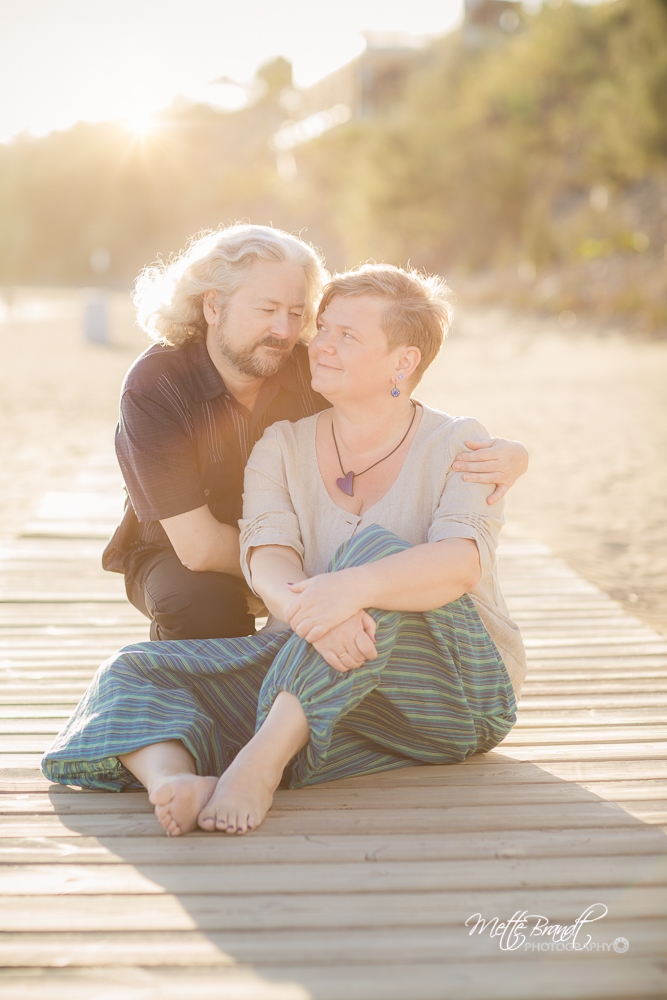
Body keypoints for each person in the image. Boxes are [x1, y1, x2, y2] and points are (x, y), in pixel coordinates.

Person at [43, 264, 526, 838]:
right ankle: (173, 779)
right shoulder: (283, 444)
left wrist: (346, 590)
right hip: (323, 664)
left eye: (347, 335)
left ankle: (260, 764)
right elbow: (266, 553)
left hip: (458, 684)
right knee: (134, 670)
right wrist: (310, 612)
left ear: (404, 361)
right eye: (323, 327)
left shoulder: (460, 443)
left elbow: (460, 562)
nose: (319, 343)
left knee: (372, 556)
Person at [103, 224, 529, 641]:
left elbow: (392, 398)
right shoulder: (154, 387)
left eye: (297, 314)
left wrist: (509, 454)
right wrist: (290, 575)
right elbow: (199, 548)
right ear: (213, 307)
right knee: (201, 602)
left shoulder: (309, 365)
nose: (285, 332)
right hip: (184, 555)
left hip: (302, 550)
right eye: (267, 310)